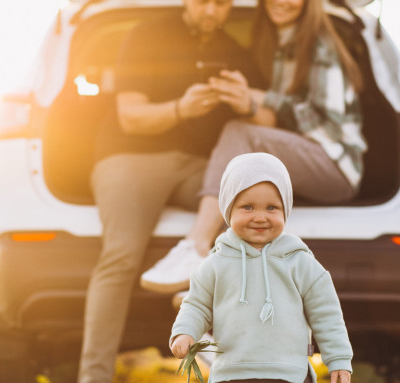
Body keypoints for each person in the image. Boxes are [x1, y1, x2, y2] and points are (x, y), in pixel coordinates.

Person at [78, 0, 263, 381]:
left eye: (221, 4)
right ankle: (93, 376)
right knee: (121, 256)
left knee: (246, 212)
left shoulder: (236, 53)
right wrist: (181, 108)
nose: (211, 11)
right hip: (130, 159)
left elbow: (263, 117)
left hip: (198, 167)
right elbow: (130, 116)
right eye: (202, 2)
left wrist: (244, 102)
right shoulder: (145, 35)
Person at [140, 0, 366, 294]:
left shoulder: (319, 45)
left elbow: (328, 122)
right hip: (301, 159)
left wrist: (259, 98)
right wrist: (242, 97)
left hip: (335, 164)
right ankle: (213, 284)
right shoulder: (275, 43)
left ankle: (195, 245)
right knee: (245, 187)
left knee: (239, 133)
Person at [170, 153, 352, 383]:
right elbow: (196, 305)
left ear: (285, 210)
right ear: (228, 210)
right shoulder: (216, 263)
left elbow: (327, 315)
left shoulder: (300, 262)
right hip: (232, 374)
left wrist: (338, 359)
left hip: (289, 374)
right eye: (247, 207)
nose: (260, 217)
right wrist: (185, 332)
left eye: (271, 208)